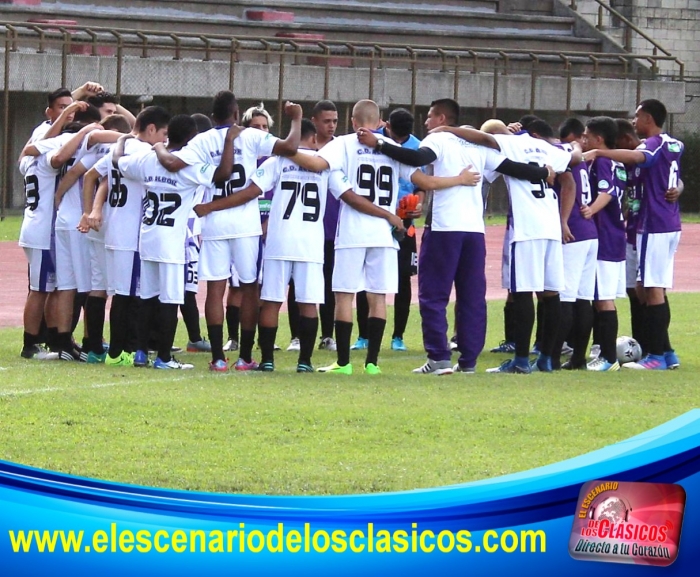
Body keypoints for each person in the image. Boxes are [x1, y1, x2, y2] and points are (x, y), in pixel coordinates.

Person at [359, 100, 555, 375]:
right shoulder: (478, 147)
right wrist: (543, 172)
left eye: (429, 117)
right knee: (472, 297)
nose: (426, 123)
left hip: (444, 228)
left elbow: (416, 159)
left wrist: (379, 144)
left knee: (433, 295)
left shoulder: (439, 139)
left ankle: (439, 358)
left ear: (441, 118)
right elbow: (514, 168)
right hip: (474, 232)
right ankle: (468, 361)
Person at [296, 99, 483, 375]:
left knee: (344, 296)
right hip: (384, 235)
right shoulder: (392, 148)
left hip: (353, 231)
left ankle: (344, 363)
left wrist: (286, 151)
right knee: (377, 297)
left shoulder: (345, 144)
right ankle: (372, 364)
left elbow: (317, 163)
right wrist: (459, 179)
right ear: (380, 121)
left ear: (353, 122)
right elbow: (426, 182)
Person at [153, 91, 302, 372]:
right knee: (248, 289)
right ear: (236, 115)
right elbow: (291, 147)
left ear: (212, 117)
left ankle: (219, 356)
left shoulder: (201, 140)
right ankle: (245, 356)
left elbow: (172, 163)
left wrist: (158, 146)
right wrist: (296, 119)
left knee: (215, 289)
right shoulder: (250, 136)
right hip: (246, 225)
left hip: (214, 222)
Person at [196, 119, 346, 372]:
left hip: (279, 240)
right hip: (310, 243)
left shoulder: (277, 162)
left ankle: (266, 360)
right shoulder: (326, 166)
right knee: (308, 303)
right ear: (313, 139)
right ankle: (305, 362)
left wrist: (211, 206)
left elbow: (251, 191)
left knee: (272, 301)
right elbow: (348, 194)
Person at [114, 116, 238, 369]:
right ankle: (163, 357)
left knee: (147, 298)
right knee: (170, 300)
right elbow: (223, 174)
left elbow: (118, 162)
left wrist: (121, 140)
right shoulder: (190, 165)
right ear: (192, 139)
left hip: (147, 236)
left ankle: (140, 353)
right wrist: (229, 142)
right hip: (171, 241)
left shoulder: (148, 158)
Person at [584, 99, 683, 370]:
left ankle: (658, 357)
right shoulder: (671, 145)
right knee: (644, 288)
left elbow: (643, 157)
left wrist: (601, 153)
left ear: (648, 118)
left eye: (637, 117)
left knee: (652, 288)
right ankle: (666, 352)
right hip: (651, 224)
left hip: (656, 224)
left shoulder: (654, 144)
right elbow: (668, 174)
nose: (633, 121)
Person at [86, 106, 171, 366]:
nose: (165, 141)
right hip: (132, 233)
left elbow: (91, 176)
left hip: (115, 229)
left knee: (120, 294)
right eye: (164, 134)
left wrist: (89, 210)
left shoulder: (119, 148)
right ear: (151, 129)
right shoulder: (146, 153)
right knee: (129, 295)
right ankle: (120, 353)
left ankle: (118, 350)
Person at [580, 117, 628, 371]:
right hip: (613, 235)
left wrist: (589, 210)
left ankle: (609, 358)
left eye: (587, 136)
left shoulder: (603, 160)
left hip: (605, 236)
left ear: (598, 139)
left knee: (602, 298)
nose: (584, 140)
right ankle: (600, 349)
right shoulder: (617, 161)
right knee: (600, 297)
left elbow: (607, 192)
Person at [311, 99, 340, 352]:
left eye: (334, 121)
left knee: (330, 281)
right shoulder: (304, 148)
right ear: (315, 122)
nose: (331, 126)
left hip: (333, 226)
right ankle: (297, 336)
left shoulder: (342, 148)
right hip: (306, 226)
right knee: (300, 281)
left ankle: (327, 335)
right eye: (326, 121)